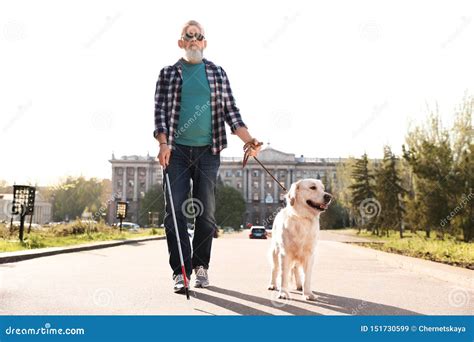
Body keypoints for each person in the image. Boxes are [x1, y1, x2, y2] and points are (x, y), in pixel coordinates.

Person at [153, 20, 261, 293]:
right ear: (181, 42)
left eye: (198, 36)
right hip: (175, 152)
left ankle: (201, 266)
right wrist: (163, 144)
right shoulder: (168, 73)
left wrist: (249, 140)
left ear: (204, 42)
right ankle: (180, 272)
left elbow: (231, 113)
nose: (193, 40)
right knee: (174, 212)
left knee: (206, 213)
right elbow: (160, 113)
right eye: (188, 36)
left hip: (208, 152)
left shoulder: (217, 72)